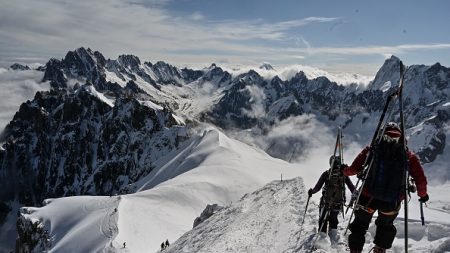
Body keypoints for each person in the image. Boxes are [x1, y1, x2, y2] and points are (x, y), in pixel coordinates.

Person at [342, 122, 428, 253]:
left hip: (367, 198)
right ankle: (379, 250)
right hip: (391, 202)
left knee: (359, 225)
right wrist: (423, 195)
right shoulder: (408, 156)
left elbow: (353, 169)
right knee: (385, 227)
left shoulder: (371, 150)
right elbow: (420, 180)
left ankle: (355, 250)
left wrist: (344, 171)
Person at [308, 155, 355, 236]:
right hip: (338, 202)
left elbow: (318, 187)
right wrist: (356, 194)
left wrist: (311, 192)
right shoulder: (344, 175)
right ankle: (333, 235)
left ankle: (322, 237)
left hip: (326, 201)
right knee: (334, 218)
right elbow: (351, 187)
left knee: (323, 218)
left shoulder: (326, 174)